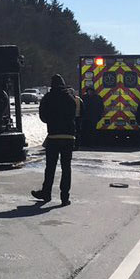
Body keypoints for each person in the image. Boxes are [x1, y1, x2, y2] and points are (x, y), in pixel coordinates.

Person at [32, 74, 79, 205]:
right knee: (66, 168)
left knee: (50, 167)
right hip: (68, 137)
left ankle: (46, 193)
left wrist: (52, 121)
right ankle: (65, 197)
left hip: (53, 136)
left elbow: (43, 117)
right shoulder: (70, 98)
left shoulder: (48, 98)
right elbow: (74, 115)